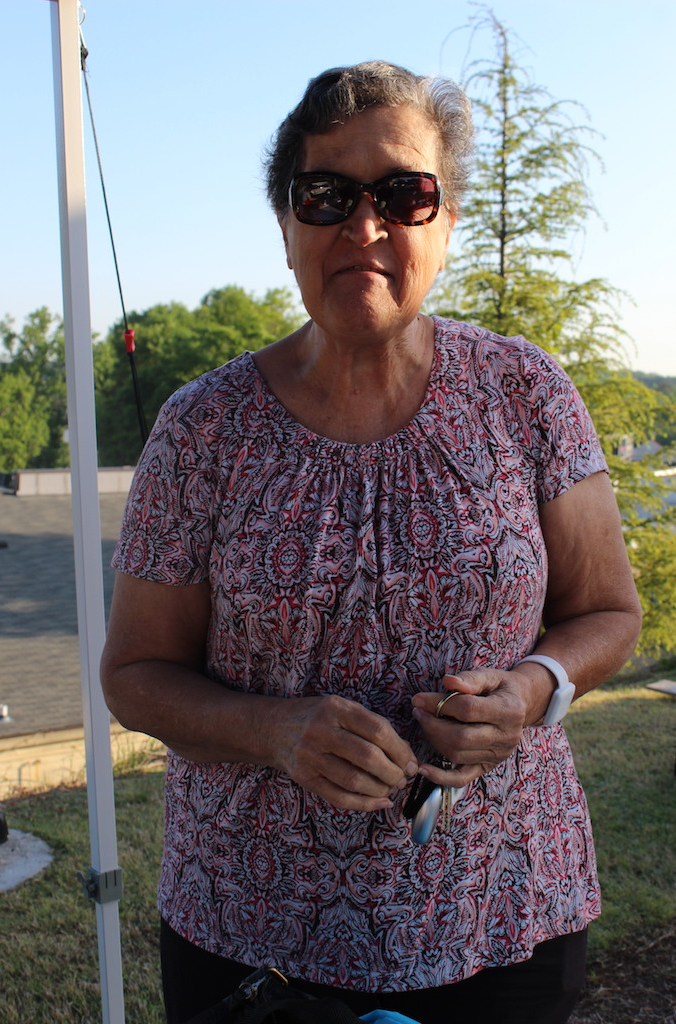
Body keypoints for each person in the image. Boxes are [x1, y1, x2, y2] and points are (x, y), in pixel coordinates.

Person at [101, 61, 642, 1024]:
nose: (364, 227)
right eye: (326, 195)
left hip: (503, 914)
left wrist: (532, 688)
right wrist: (273, 731)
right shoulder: (200, 430)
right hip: (253, 937)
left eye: (402, 194)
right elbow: (135, 674)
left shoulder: (526, 392)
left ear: (445, 221)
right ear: (285, 227)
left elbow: (607, 613)